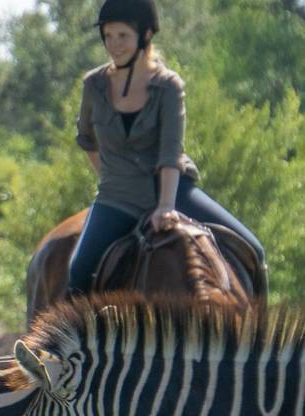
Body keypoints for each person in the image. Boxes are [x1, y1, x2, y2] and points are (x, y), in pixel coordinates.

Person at [65, 0, 265, 296]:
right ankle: (69, 342)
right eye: (108, 36)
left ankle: (256, 338)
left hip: (173, 191)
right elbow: (87, 140)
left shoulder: (169, 85)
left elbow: (170, 152)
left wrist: (166, 206)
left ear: (145, 36)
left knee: (253, 249)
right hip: (116, 197)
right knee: (78, 270)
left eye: (122, 36)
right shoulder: (93, 84)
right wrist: (112, 177)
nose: (113, 45)